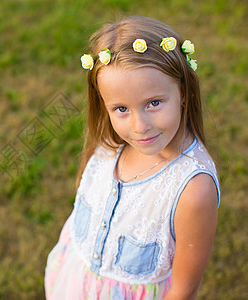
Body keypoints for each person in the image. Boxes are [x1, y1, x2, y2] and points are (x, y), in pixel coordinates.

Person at [44, 16, 220, 300]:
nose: (139, 126)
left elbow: (183, 291)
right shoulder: (109, 145)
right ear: (104, 103)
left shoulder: (192, 190)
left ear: (184, 92)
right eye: (121, 109)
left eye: (154, 103)